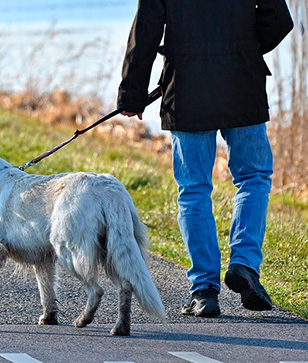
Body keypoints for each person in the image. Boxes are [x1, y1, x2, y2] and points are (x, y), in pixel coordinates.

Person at [117, 0, 293, 317]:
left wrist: (132, 92)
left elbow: (145, 29)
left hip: (186, 89)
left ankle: (204, 291)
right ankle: (244, 264)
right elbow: (278, 20)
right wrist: (243, 48)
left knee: (194, 188)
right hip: (242, 82)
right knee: (254, 178)